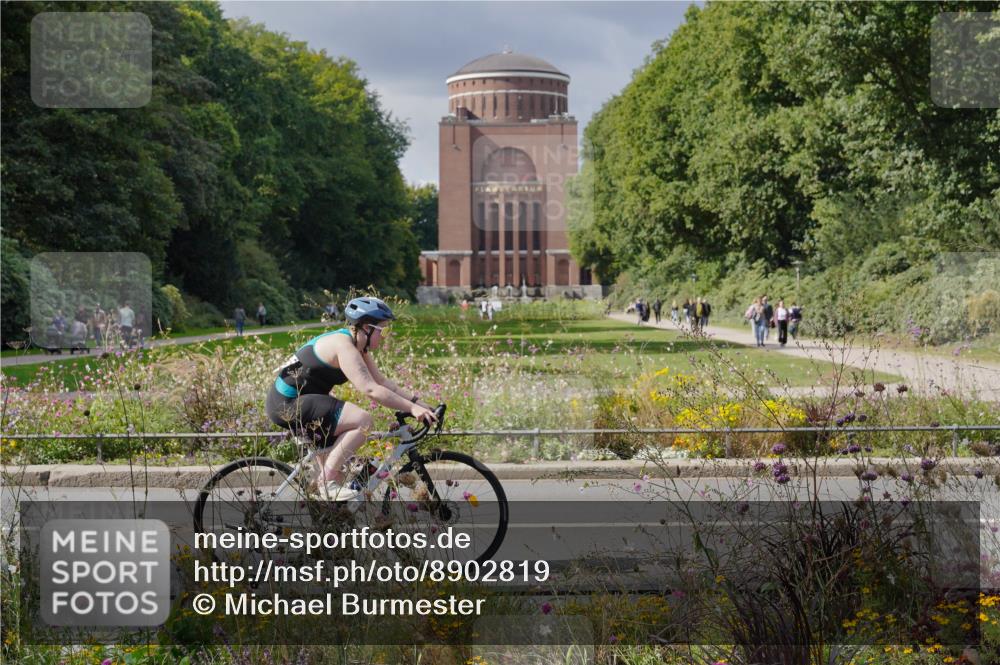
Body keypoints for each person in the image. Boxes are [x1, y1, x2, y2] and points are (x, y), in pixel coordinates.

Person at [265, 296, 438, 500]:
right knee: (363, 421)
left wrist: (419, 404)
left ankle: (326, 514)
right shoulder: (344, 345)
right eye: (384, 330)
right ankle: (325, 482)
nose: (386, 336)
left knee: (339, 479)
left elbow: (382, 382)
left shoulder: (357, 345)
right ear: (367, 327)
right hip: (288, 404)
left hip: (304, 402)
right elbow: (371, 389)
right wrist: (412, 410)